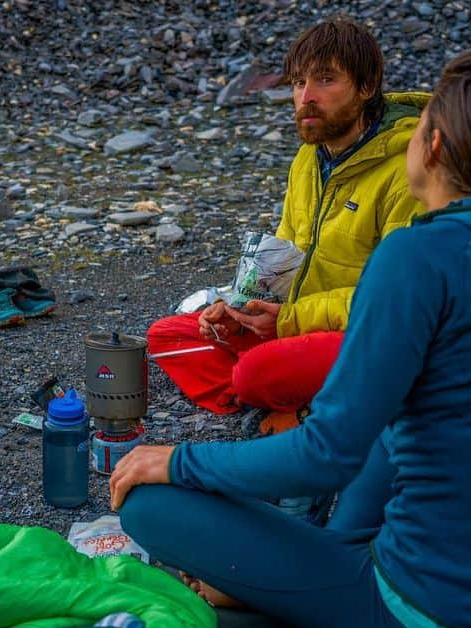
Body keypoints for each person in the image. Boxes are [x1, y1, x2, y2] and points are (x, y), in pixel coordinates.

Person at [110, 49, 471, 628]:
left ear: (437, 144)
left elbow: (325, 455)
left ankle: (305, 583)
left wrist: (178, 461)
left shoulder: (419, 253)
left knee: (148, 505)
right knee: (400, 419)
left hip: (444, 623)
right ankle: (325, 560)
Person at [147, 18, 427, 430]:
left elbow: (398, 300)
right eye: (298, 83)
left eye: (326, 80)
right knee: (170, 335)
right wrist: (241, 305)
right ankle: (283, 407)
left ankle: (307, 405)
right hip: (300, 320)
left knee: (257, 372)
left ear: (366, 87)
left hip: (370, 334)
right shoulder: (309, 161)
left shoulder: (408, 172)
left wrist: (290, 320)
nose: (306, 97)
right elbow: (285, 255)